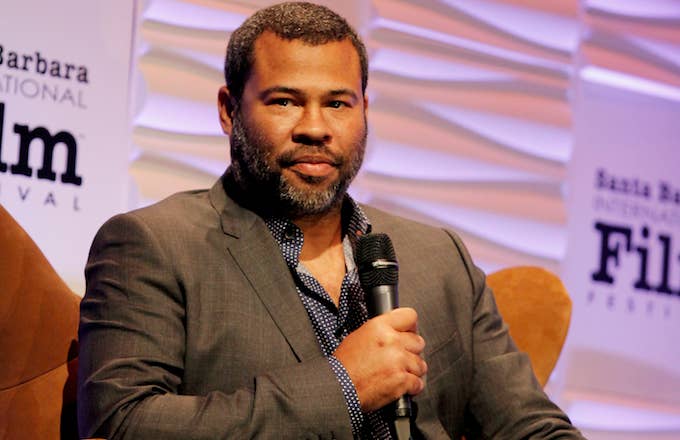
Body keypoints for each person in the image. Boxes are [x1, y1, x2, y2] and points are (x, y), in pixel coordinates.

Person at [77, 2, 584, 439]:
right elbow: (121, 424)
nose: (315, 129)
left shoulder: (439, 257)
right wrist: (342, 386)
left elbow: (530, 426)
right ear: (229, 110)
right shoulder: (153, 244)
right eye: (284, 101)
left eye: (338, 104)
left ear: (364, 110)